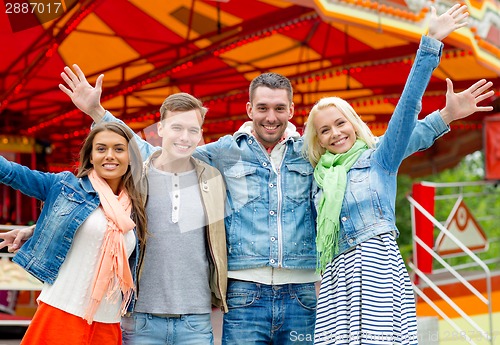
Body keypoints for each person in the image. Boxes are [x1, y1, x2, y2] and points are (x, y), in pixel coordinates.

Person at [55, 5, 478, 342]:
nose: (271, 116)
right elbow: (156, 152)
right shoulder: (223, 152)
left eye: (280, 108)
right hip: (244, 293)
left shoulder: (314, 153)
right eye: (263, 107)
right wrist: (97, 112)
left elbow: (391, 145)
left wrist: (444, 116)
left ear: (291, 111)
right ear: (249, 110)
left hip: (304, 291)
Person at [302, 7, 494, 345]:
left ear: (354, 124)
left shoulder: (378, 159)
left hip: (377, 270)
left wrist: (430, 43)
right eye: (324, 131)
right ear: (316, 140)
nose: (335, 134)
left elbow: (406, 117)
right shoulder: (319, 177)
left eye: (340, 123)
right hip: (335, 279)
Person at [57, 85, 228, 344]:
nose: (185, 136)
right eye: (176, 128)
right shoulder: (135, 176)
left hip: (197, 318)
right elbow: (96, 213)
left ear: (201, 134)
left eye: (193, 130)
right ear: (160, 129)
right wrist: (34, 229)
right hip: (140, 318)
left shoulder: (212, 178)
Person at [0, 122, 148, 345]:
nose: (110, 155)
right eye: (101, 149)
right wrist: (38, 229)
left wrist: (32, 230)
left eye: (119, 149)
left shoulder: (137, 205)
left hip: (108, 320)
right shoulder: (65, 186)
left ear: (131, 158)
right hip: (62, 311)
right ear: (90, 156)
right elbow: (11, 172)